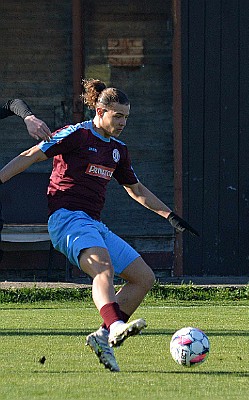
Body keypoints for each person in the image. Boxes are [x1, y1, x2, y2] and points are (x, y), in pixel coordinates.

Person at [0, 79, 199, 372]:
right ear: (99, 110)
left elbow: (137, 189)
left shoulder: (118, 149)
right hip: (66, 218)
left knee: (143, 277)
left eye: (126, 117)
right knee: (103, 268)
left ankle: (103, 336)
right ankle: (116, 324)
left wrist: (169, 215)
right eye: (117, 115)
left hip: (93, 223)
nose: (122, 123)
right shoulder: (76, 134)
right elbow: (31, 155)